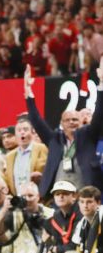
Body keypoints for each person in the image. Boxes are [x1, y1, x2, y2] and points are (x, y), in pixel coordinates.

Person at [25, 60, 103, 198]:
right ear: (61, 123)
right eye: (68, 120)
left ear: (81, 122)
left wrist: (101, 83)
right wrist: (28, 93)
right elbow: (36, 121)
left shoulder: (88, 135)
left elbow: (99, 113)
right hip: (58, 197)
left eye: (75, 119)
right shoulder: (54, 139)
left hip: (84, 196)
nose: (71, 122)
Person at [4, 115, 48, 196]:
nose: (22, 132)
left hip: (38, 196)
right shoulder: (9, 156)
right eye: (19, 130)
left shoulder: (42, 148)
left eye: (25, 129)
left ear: (32, 132)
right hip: (18, 197)